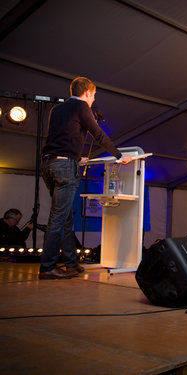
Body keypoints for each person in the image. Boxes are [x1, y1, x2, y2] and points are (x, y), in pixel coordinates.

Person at [39, 77, 132, 280]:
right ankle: (47, 267)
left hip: (48, 164)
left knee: (65, 217)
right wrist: (119, 156)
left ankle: (72, 264)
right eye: (94, 95)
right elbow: (98, 134)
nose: (93, 99)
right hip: (64, 166)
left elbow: (59, 137)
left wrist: (75, 155)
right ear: (88, 92)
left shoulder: (57, 109)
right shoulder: (82, 107)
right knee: (58, 218)